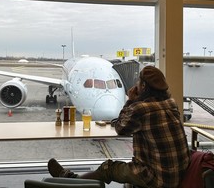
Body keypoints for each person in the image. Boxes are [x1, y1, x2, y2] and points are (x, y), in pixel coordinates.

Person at [47, 65, 190, 188]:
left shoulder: (141, 109)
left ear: (144, 86)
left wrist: (130, 101)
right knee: (127, 168)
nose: (137, 84)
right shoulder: (171, 103)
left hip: (157, 178)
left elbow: (120, 128)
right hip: (178, 172)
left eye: (139, 82)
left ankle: (70, 180)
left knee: (107, 168)